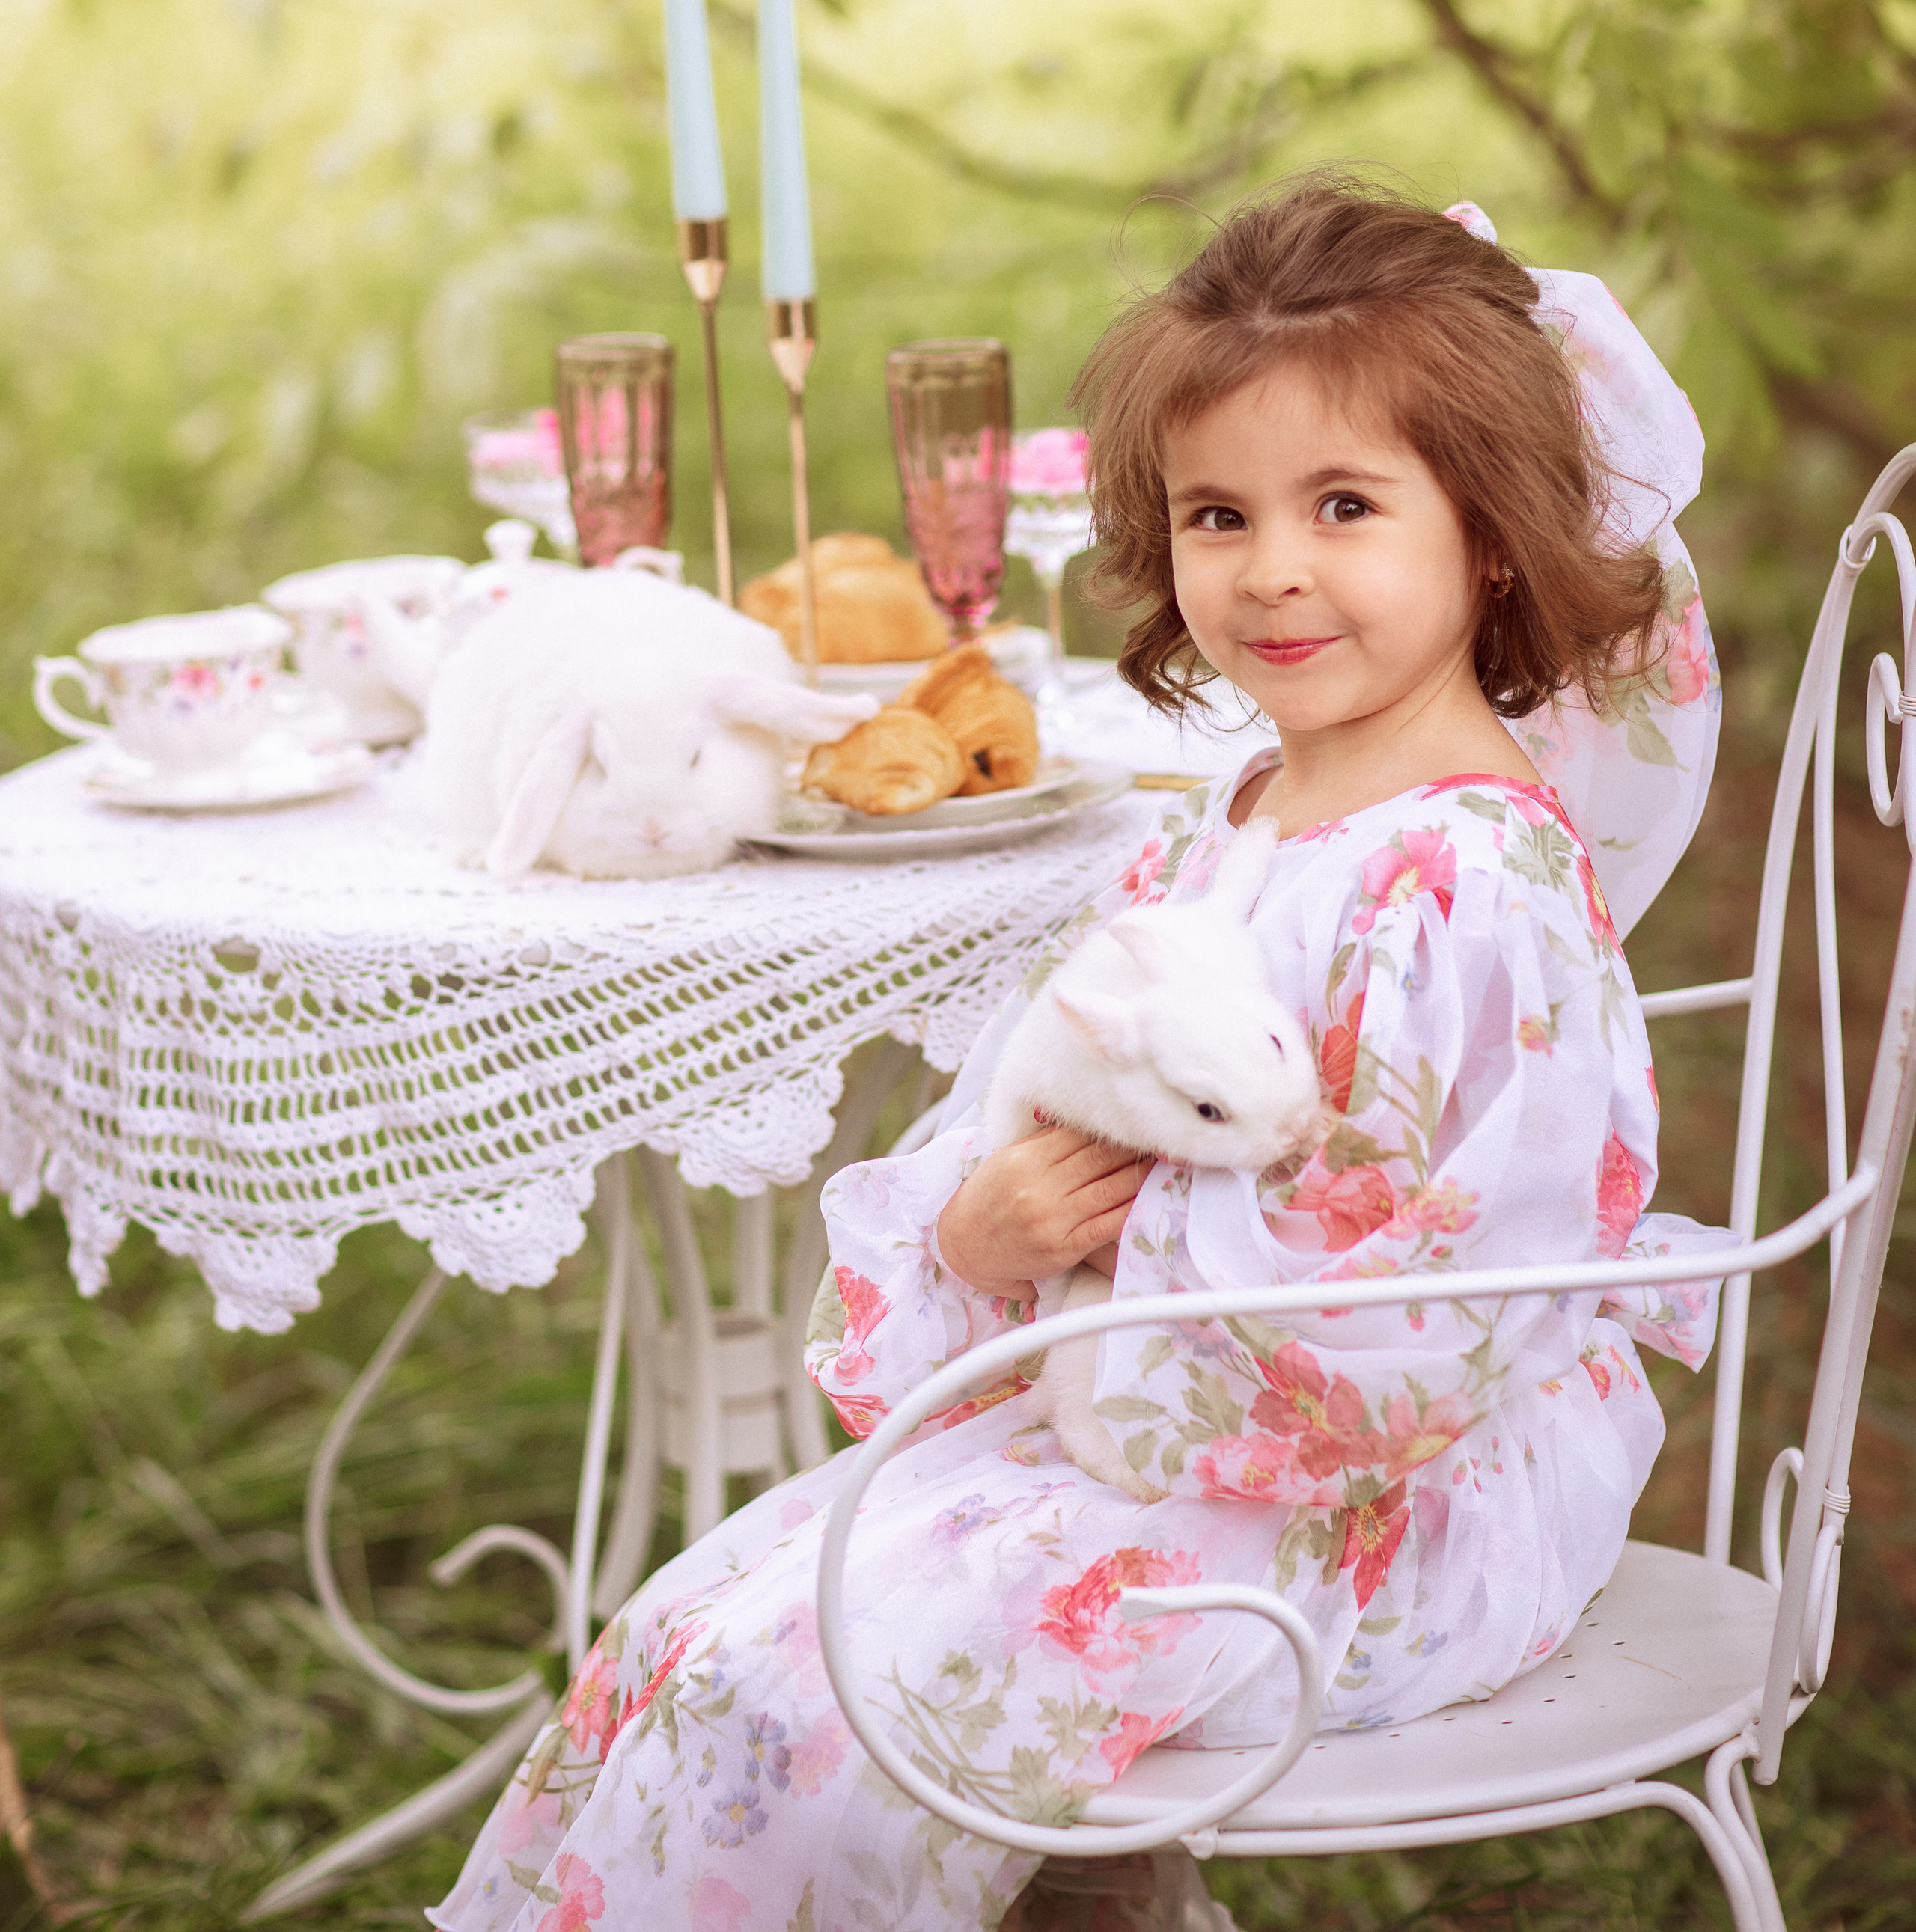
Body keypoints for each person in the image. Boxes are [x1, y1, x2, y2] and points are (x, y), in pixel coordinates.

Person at [431, 177, 1729, 1932]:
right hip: (1156, 1423)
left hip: (1382, 1489)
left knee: (835, 1689)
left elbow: (1442, 1297)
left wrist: (1115, 1273)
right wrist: (975, 1234)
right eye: (1217, 512)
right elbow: (1047, 1081)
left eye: (1343, 504)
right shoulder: (1239, 814)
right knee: (712, 1621)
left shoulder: (1470, 871)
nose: (1269, 567)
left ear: (1485, 529)